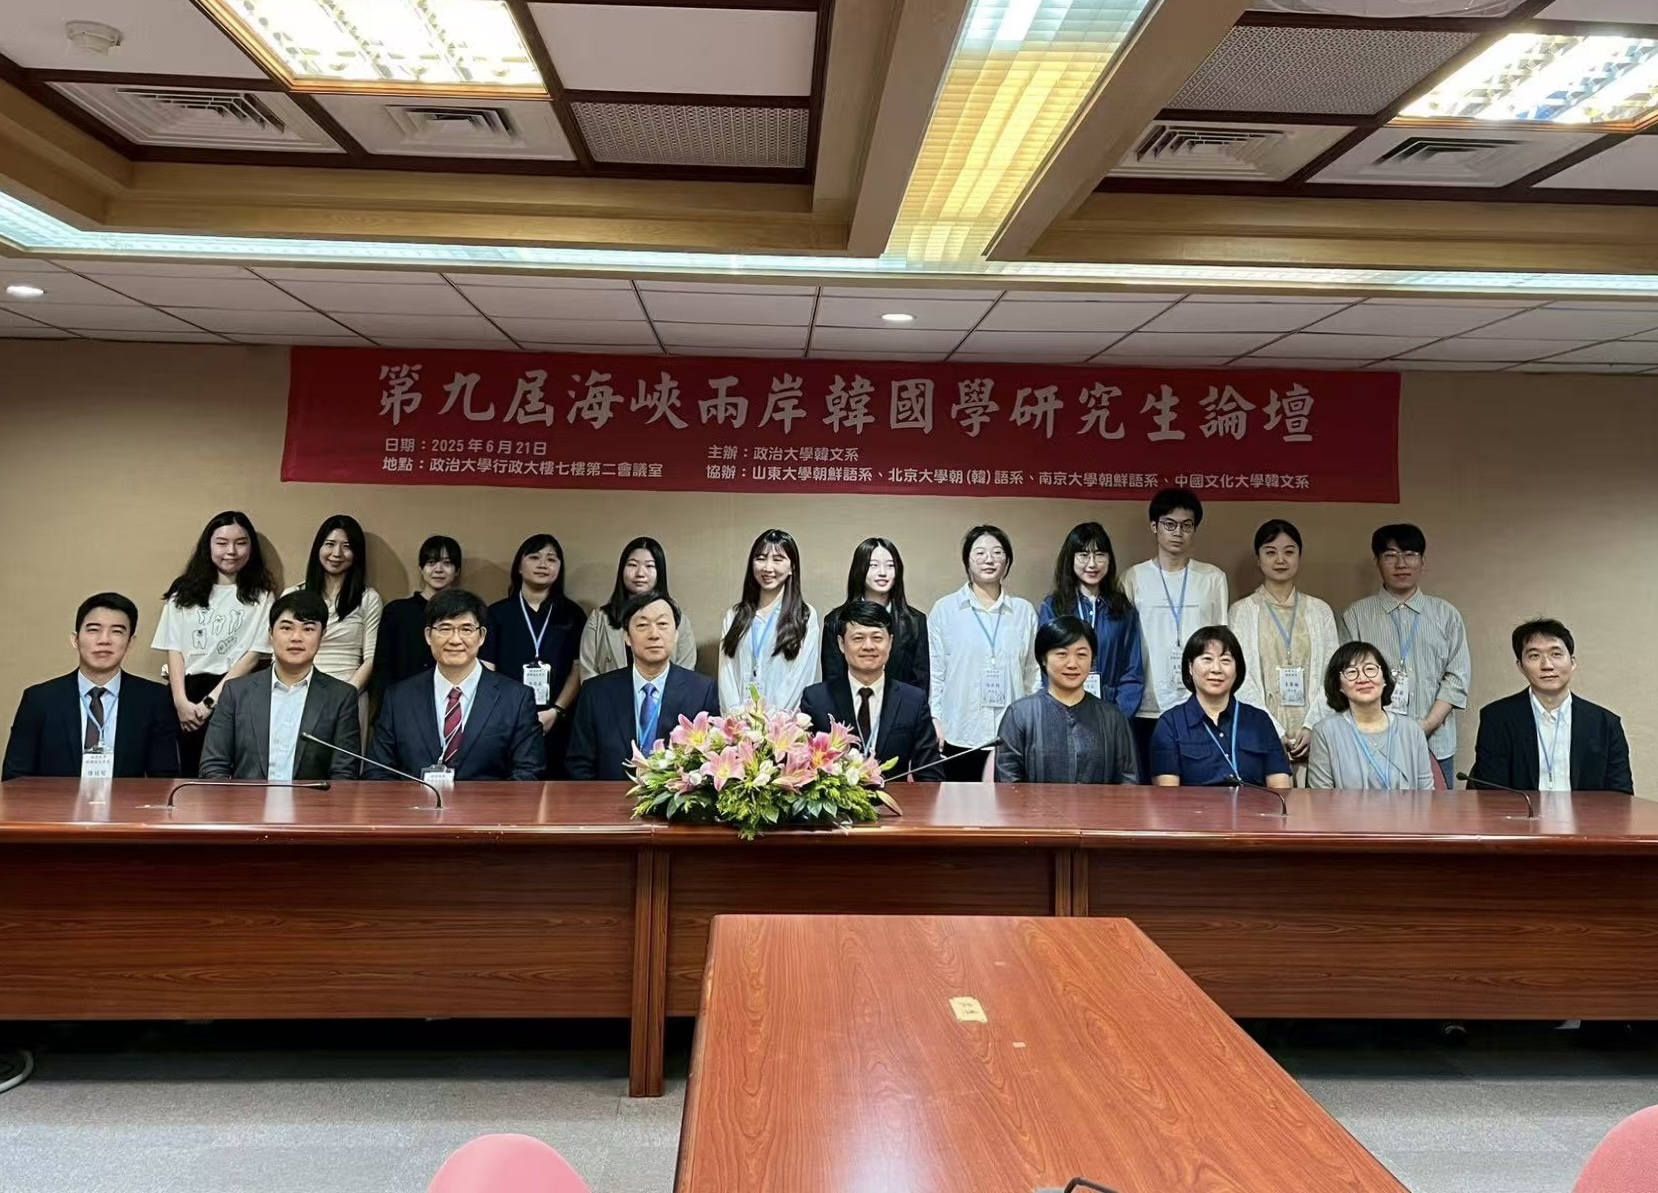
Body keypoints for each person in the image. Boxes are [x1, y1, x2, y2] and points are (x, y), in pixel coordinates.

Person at [1341, 524, 1470, 790]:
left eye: (1410, 554)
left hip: (1435, 742)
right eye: (1390, 555)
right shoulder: (1356, 616)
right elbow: (1346, 678)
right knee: (1373, 813)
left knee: (1437, 812)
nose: (1401, 564)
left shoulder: (1446, 614)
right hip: (1372, 741)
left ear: (1423, 562)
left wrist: (1427, 725)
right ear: (1377, 562)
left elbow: (1457, 678)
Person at [370, 589, 544, 782]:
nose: (455, 640)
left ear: (481, 636)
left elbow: (528, 773)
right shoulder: (398, 698)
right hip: (414, 801)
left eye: (466, 629)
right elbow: (378, 772)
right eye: (445, 629)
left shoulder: (516, 699)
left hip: (487, 802)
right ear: (428, 635)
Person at [152, 511, 277, 777]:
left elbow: (253, 656)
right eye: (222, 543)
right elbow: (174, 649)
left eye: (240, 543)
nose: (231, 551)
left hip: (236, 691)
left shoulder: (262, 596)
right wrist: (181, 702)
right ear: (208, 546)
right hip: (186, 692)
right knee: (186, 774)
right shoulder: (183, 591)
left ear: (251, 548)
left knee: (227, 773)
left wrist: (208, 704)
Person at [3, 593, 179, 781]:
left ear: (130, 643)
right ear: (75, 639)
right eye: (94, 630)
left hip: (126, 801)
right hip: (55, 800)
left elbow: (164, 779)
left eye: (117, 631)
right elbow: (14, 778)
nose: (104, 640)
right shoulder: (39, 700)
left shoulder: (154, 699)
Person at [198, 590, 361, 781]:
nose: (296, 637)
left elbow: (344, 773)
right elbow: (213, 765)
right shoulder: (236, 692)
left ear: (322, 635)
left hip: (313, 800)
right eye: (286, 628)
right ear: (270, 633)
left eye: (308, 629)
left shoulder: (341, 696)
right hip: (248, 799)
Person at [1123, 489, 1229, 776]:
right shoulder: (1133, 578)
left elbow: (1222, 643)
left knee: (1200, 787)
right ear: (1154, 526)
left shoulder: (1212, 578)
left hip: (1199, 703)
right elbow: (1126, 645)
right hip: (1147, 705)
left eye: (1186, 525)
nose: (1178, 533)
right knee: (1149, 789)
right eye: (1169, 524)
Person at [1227, 520, 1341, 775]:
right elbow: (1241, 679)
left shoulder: (1320, 611)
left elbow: (1332, 674)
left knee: (1315, 798)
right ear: (1258, 559)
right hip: (1260, 730)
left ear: (1299, 556)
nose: (1280, 559)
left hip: (1314, 732)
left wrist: (1312, 726)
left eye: (1289, 552)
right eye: (1270, 552)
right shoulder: (1242, 612)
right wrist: (1273, 730)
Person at [566, 593, 720, 782]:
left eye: (662, 624)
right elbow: (579, 763)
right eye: (642, 625)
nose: (654, 634)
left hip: (675, 799)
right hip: (609, 798)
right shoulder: (596, 691)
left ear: (676, 634)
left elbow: (709, 761)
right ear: (627, 636)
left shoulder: (703, 691)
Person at [927, 525, 1040, 781]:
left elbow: (1033, 674)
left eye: (997, 552)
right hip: (959, 732)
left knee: (1008, 804)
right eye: (979, 553)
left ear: (1007, 561)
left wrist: (1031, 722)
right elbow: (936, 672)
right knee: (959, 804)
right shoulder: (945, 609)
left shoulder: (1023, 612)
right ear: (967, 560)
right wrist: (936, 718)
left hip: (1012, 736)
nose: (989, 559)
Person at [1470, 618, 1633, 795]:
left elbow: (1621, 797)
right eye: (1534, 656)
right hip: (1521, 814)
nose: (1547, 665)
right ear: (1520, 666)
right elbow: (1491, 796)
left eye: (1556, 654)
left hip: (1589, 814)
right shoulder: (1497, 719)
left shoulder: (1606, 724)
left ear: (1572, 662)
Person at [801, 600, 942, 781]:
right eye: (858, 638)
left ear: (890, 642)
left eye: (877, 638)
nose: (868, 646)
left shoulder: (913, 701)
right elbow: (804, 769)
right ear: (841, 644)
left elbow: (930, 775)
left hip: (895, 798)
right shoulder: (816, 699)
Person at [482, 534, 585, 779]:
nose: (543, 564)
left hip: (559, 721)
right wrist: (507, 714)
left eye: (551, 559)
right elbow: (487, 668)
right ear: (519, 566)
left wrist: (556, 711)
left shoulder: (573, 614)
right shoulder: (497, 613)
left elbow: (579, 667)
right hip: (506, 721)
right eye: (534, 557)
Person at [995, 617, 1137, 785]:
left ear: (1092, 660)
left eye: (1081, 655)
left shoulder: (1112, 718)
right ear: (1043, 658)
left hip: (1099, 804)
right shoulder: (1019, 715)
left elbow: (1128, 781)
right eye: (1062, 654)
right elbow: (1008, 783)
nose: (1072, 664)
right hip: (1033, 804)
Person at [1150, 626, 1292, 789]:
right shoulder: (1170, 724)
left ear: (1237, 669)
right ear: (1190, 667)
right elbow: (1167, 795)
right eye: (1207, 659)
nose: (1216, 669)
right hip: (1194, 806)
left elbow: (1280, 787)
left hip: (1252, 805)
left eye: (1225, 661)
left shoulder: (1259, 721)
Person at [1037, 522, 1143, 722]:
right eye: (1084, 555)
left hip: (1112, 715)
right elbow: (1047, 667)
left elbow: (1132, 671)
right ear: (1070, 558)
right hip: (1064, 716)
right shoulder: (1054, 607)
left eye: (1100, 554)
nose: (1092, 564)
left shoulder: (1123, 610)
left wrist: (1117, 717)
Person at [1305, 642, 1435, 791]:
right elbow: (1321, 799)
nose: (1363, 678)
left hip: (1408, 808)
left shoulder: (1412, 731)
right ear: (1339, 685)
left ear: (1384, 678)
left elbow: (1427, 795)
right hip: (1345, 808)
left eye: (1370, 669)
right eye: (1351, 672)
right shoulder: (1325, 732)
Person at [717, 529, 820, 713]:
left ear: (792, 567)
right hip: (737, 724)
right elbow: (726, 674)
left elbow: (801, 676)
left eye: (778, 559)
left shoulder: (804, 616)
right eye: (761, 558)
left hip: (784, 724)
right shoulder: (734, 615)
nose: (768, 567)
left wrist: (772, 723)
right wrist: (737, 719)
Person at [285, 514, 382, 692]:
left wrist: (346, 696)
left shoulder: (368, 598)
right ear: (318, 548)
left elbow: (371, 658)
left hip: (348, 689)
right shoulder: (293, 596)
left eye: (347, 547)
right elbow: (280, 653)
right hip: (298, 689)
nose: (337, 553)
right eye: (330, 544)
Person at [579, 537, 697, 680]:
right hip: (608, 694)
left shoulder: (678, 620)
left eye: (649, 566)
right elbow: (587, 672)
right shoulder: (599, 619)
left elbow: (685, 674)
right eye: (633, 565)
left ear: (660, 572)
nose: (640, 573)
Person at [822, 537, 929, 693]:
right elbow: (832, 681)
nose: (882, 573)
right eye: (873, 565)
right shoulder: (835, 620)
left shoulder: (915, 622)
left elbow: (920, 682)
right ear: (860, 569)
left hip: (902, 707)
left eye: (890, 565)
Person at [373, 535, 462, 697]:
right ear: (421, 568)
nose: (438, 569)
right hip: (403, 700)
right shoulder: (396, 612)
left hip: (452, 701)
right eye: (431, 562)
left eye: (447, 563)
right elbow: (383, 667)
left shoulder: (465, 615)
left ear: (457, 570)